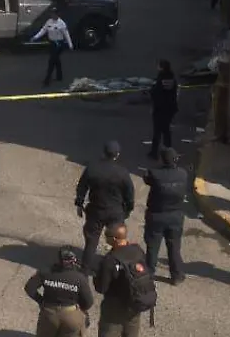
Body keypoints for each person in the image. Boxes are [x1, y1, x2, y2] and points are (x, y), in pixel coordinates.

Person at [75, 141, 134, 273]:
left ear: (103, 153)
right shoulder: (122, 173)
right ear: (117, 155)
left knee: (91, 241)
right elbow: (129, 194)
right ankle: (116, 270)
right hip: (116, 212)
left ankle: (84, 271)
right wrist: (128, 210)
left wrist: (79, 203)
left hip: (96, 210)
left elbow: (82, 187)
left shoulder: (92, 169)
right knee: (118, 241)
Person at [94, 223, 155, 337]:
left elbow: (101, 288)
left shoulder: (110, 260)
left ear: (114, 239)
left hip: (114, 308)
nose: (105, 239)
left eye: (107, 236)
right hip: (135, 303)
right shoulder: (137, 250)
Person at [25, 249, 94, 337]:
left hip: (49, 314)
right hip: (71, 315)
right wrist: (80, 308)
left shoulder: (46, 272)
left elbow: (29, 288)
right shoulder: (80, 278)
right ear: (74, 260)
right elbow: (88, 302)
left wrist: (41, 301)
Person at [142, 148, 187, 284]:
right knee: (174, 247)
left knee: (152, 246)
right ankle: (177, 275)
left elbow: (146, 178)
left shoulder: (154, 173)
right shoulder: (183, 174)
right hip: (175, 216)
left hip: (157, 215)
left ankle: (149, 273)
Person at [32, 9, 74, 87]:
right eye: (52, 14)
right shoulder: (49, 21)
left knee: (52, 60)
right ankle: (59, 76)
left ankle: (47, 79)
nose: (52, 15)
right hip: (52, 44)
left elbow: (66, 34)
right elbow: (43, 30)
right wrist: (36, 37)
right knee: (56, 60)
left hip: (59, 44)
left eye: (54, 14)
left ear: (57, 14)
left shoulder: (61, 23)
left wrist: (70, 44)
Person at [148, 60, 179, 159]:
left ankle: (154, 153)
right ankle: (168, 151)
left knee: (157, 131)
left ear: (161, 68)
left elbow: (156, 94)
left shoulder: (160, 79)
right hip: (170, 109)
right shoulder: (172, 78)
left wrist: (150, 92)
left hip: (160, 109)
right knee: (166, 130)